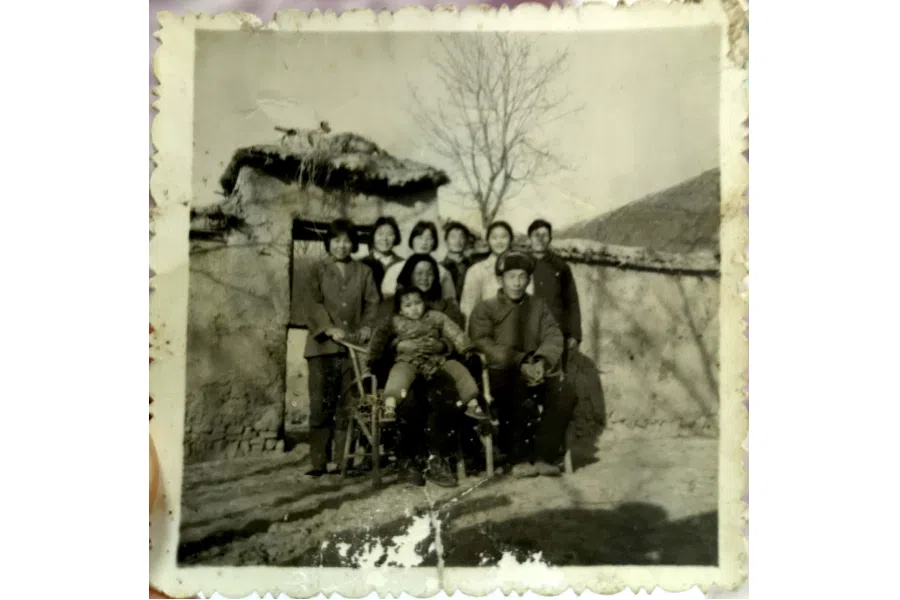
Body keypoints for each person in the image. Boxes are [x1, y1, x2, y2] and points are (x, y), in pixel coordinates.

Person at [468, 250, 577, 478]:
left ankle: (543, 456)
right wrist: (519, 361)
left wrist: (542, 360)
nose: (517, 283)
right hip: (503, 371)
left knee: (566, 392)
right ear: (500, 279)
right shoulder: (485, 309)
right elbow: (482, 342)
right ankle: (517, 457)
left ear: (529, 280)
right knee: (519, 391)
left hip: (537, 367)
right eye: (511, 277)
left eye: (522, 277)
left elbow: (553, 335)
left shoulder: (539, 306)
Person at [301, 218, 380, 477]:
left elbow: (372, 303)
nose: (341, 246)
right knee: (321, 404)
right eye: (336, 240)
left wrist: (367, 327)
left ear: (353, 243)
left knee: (348, 405)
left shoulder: (363, 272)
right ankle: (318, 462)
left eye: (347, 240)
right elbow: (312, 303)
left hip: (352, 350)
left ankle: (341, 460)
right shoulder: (317, 269)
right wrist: (328, 327)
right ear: (328, 242)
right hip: (322, 347)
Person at [367, 286, 481, 423]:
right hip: (408, 359)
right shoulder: (395, 321)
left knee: (458, 369)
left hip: (437, 359)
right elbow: (380, 336)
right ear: (400, 309)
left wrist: (466, 348)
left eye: (418, 303)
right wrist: (373, 355)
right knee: (399, 375)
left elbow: (454, 332)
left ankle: (472, 402)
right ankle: (390, 405)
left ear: (424, 303)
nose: (414, 308)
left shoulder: (436, 317)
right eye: (408, 305)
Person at [527, 219, 582, 369]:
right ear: (529, 238)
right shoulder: (522, 263)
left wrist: (574, 334)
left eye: (544, 235)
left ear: (550, 239)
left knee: (554, 378)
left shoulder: (561, 267)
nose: (540, 239)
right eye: (535, 235)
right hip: (527, 333)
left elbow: (572, 302)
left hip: (555, 332)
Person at [459, 220, 533, 322]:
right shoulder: (476, 271)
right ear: (488, 241)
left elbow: (530, 302)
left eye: (504, 237)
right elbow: (468, 309)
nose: (499, 242)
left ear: (511, 240)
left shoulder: (524, 268)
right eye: (494, 237)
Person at [380, 220, 457, 301]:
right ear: (412, 240)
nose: (424, 242)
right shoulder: (395, 269)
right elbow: (387, 299)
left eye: (429, 238)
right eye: (420, 238)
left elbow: (450, 301)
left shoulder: (443, 272)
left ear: (434, 242)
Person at [396, 254, 465, 328]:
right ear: (409, 275)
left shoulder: (448, 307)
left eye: (430, 274)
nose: (425, 278)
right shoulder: (394, 304)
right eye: (419, 273)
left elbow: (456, 334)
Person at [360, 216, 404, 290]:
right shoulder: (362, 264)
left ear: (396, 237)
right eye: (380, 234)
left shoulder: (403, 264)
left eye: (389, 234)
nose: (384, 239)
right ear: (373, 236)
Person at [440, 221, 473, 303]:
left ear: (466, 241)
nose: (458, 241)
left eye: (461, 237)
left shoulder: (473, 266)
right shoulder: (439, 268)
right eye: (453, 237)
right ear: (446, 241)